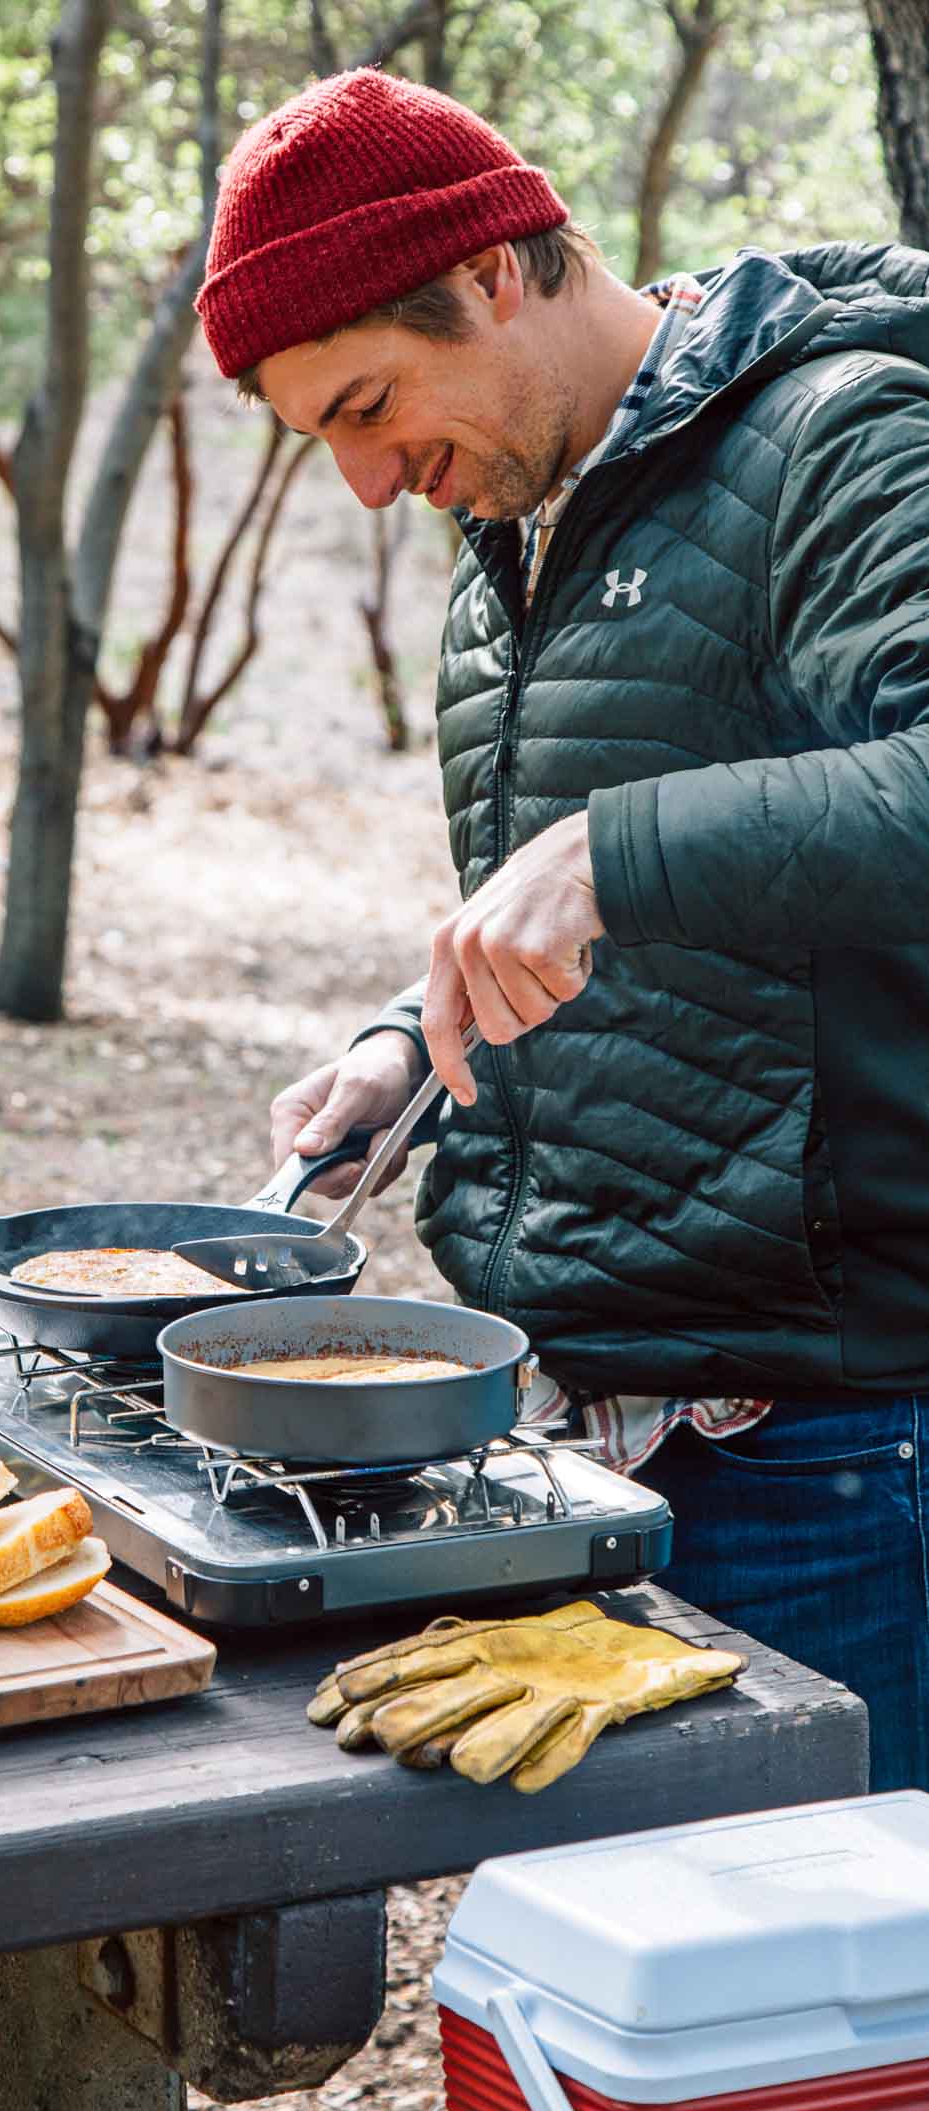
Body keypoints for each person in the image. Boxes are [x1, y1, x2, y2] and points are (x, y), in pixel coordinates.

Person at [194, 66, 929, 1792]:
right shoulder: (509, 501)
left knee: (831, 2035)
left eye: (370, 402)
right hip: (585, 1439)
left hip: (824, 1456)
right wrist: (415, 1033)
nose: (371, 481)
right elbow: (627, 900)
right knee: (638, 2015)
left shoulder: (839, 439)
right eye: (326, 438)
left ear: (502, 272)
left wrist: (602, 853)